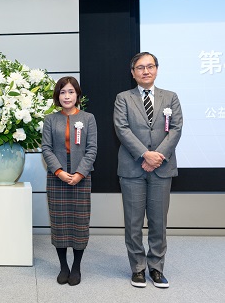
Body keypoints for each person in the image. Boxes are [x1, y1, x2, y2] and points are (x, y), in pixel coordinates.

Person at [114, 52, 183, 288]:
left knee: (158, 221)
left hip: (162, 168)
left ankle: (156, 268)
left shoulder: (170, 97)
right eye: (140, 67)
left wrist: (157, 157)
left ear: (157, 69)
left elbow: (175, 129)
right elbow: (122, 129)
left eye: (150, 66)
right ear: (132, 72)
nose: (146, 71)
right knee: (133, 222)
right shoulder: (123, 98)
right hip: (133, 167)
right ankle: (138, 268)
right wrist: (145, 154)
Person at [41, 76, 97, 286]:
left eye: (71, 92)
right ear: (58, 95)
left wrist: (80, 173)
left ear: (77, 95)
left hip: (81, 178)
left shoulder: (88, 118)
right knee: (60, 223)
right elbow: (46, 148)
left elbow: (92, 149)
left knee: (79, 223)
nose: (67, 96)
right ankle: (63, 266)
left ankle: (76, 266)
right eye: (63, 92)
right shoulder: (50, 119)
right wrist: (59, 171)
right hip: (57, 178)